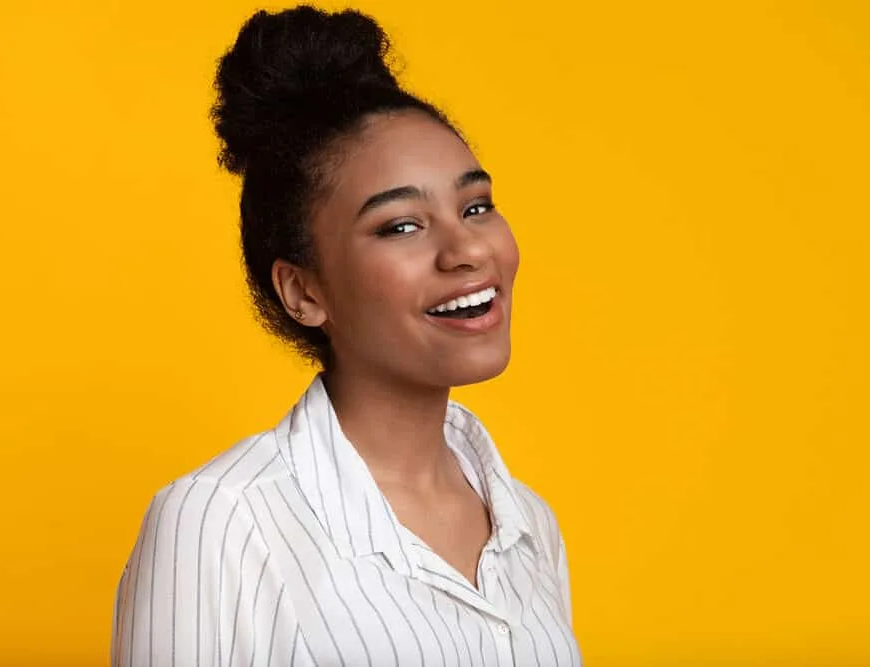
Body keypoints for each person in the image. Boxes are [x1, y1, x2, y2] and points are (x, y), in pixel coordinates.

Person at [111, 5, 580, 666]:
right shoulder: (222, 521)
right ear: (304, 291)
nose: (468, 249)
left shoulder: (529, 526)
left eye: (475, 206)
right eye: (401, 226)